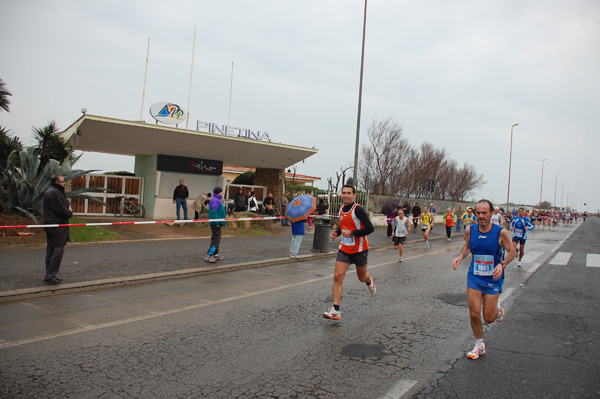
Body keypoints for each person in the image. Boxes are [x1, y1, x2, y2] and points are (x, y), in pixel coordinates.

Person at [451, 199, 516, 360]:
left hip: (493, 279)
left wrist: (502, 264)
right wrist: (460, 256)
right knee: (474, 314)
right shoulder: (470, 230)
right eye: (478, 213)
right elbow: (468, 246)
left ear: (491, 213)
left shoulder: (500, 232)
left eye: (484, 213)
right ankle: (479, 344)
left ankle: (497, 306)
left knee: (489, 318)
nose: (480, 216)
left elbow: (512, 251)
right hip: (475, 276)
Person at [323, 185, 376, 321]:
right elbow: (344, 225)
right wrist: (338, 233)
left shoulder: (357, 209)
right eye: (343, 193)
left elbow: (370, 228)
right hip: (345, 248)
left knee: (361, 277)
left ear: (354, 195)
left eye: (348, 193)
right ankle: (336, 310)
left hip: (359, 250)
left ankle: (369, 280)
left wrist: (352, 233)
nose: (345, 195)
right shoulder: (341, 209)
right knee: (337, 276)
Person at [43, 175, 73, 284]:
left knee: (51, 250)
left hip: (51, 224)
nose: (64, 183)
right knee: (57, 250)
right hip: (57, 225)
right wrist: (69, 212)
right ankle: (51, 274)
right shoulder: (55, 193)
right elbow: (62, 209)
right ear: (57, 182)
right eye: (62, 182)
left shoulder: (51, 191)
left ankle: (49, 273)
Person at [205, 187, 226, 263]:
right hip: (215, 223)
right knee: (215, 239)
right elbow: (214, 213)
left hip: (219, 222)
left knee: (218, 238)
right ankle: (210, 255)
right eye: (221, 192)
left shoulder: (217, 200)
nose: (222, 193)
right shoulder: (215, 201)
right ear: (218, 192)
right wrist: (216, 222)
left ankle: (216, 253)